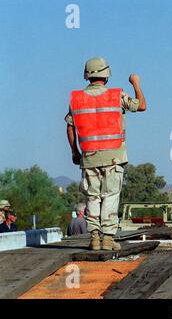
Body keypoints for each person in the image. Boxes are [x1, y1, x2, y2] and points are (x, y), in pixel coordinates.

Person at [65, 57, 147, 250]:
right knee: (110, 196)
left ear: (87, 76)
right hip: (113, 157)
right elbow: (141, 105)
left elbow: (70, 127)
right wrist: (136, 83)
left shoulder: (76, 99)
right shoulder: (116, 95)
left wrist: (75, 151)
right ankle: (108, 239)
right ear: (106, 75)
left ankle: (94, 238)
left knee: (92, 197)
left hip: (89, 157)